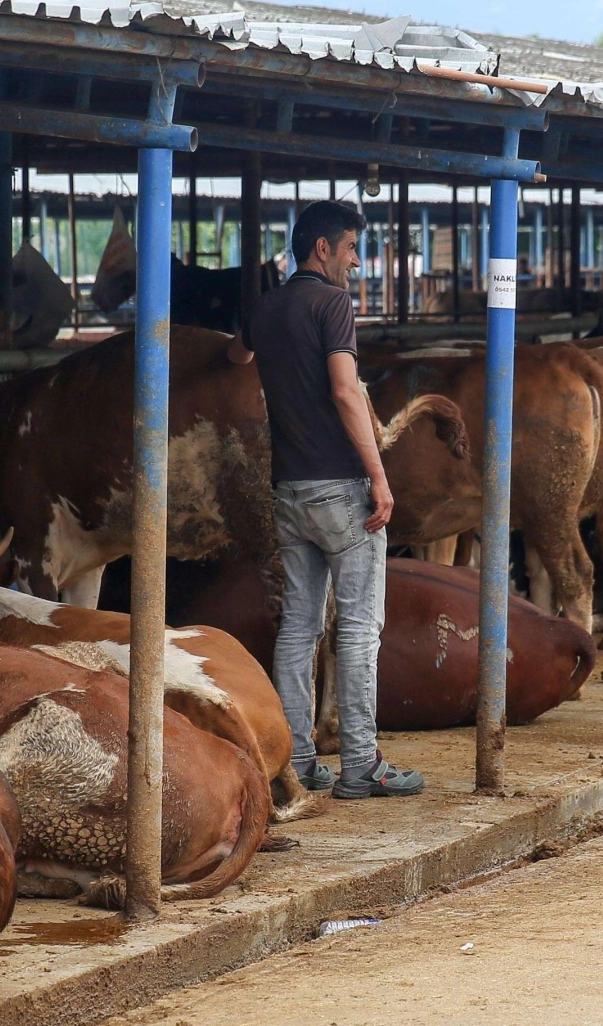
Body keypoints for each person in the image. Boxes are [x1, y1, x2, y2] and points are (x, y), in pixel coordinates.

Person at [227, 200, 424, 800]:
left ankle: (301, 761)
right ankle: (362, 766)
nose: (357, 262)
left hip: (288, 489)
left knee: (298, 628)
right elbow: (345, 391)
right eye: (351, 249)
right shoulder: (333, 304)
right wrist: (379, 477)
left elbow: (236, 355)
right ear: (323, 249)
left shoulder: (266, 305)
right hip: (342, 488)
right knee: (361, 628)